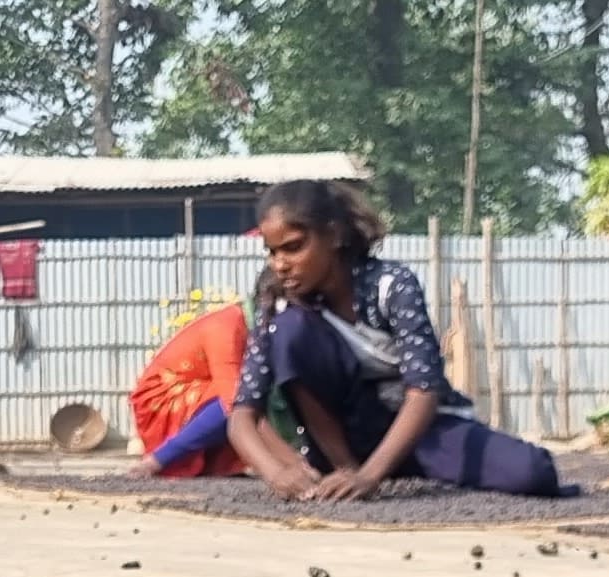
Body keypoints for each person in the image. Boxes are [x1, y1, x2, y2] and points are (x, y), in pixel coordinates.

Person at [224, 179, 559, 501]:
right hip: (342, 442)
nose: (280, 264)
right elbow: (242, 415)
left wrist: (371, 476)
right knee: (289, 329)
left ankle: (383, 468)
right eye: (272, 251)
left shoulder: (391, 286)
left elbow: (424, 390)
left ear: (335, 234)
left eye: (294, 247)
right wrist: (277, 473)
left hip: (413, 431)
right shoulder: (278, 301)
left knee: (533, 473)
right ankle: (344, 468)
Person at [131, 302, 253, 478]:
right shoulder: (226, 327)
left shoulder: (245, 323)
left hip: (197, 393)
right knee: (243, 395)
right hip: (161, 402)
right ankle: (159, 459)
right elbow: (233, 400)